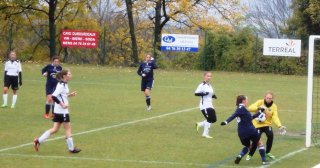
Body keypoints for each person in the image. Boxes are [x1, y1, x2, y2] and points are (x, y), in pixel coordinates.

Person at [34, 69, 81, 153]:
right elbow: (54, 96)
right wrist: (62, 105)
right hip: (62, 111)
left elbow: (61, 95)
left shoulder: (64, 84)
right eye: (69, 74)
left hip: (58, 111)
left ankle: (38, 141)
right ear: (64, 76)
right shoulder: (61, 85)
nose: (71, 75)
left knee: (55, 129)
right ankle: (71, 149)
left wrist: (69, 95)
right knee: (68, 129)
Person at [221, 95, 268, 165]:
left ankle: (240, 155)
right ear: (243, 101)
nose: (247, 101)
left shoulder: (242, 109)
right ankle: (264, 160)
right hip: (250, 130)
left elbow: (251, 117)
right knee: (260, 142)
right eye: (247, 100)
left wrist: (260, 111)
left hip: (241, 133)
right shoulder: (241, 109)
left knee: (248, 146)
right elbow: (234, 115)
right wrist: (226, 122)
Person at [247, 91, 286, 160]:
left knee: (270, 135)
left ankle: (267, 152)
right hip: (257, 124)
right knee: (256, 139)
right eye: (267, 98)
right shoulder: (260, 102)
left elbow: (275, 116)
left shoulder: (274, 106)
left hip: (267, 124)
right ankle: (250, 154)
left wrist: (279, 126)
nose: (268, 99)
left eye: (270, 98)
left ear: (272, 99)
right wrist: (258, 108)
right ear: (264, 97)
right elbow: (250, 108)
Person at [194, 72, 217, 139]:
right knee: (209, 119)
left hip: (210, 105)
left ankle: (199, 124)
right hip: (204, 105)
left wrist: (213, 96)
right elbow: (196, 93)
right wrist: (204, 94)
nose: (209, 77)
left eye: (210, 76)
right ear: (204, 76)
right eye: (208, 76)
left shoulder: (209, 85)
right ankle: (205, 134)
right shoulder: (202, 85)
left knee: (214, 119)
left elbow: (210, 93)